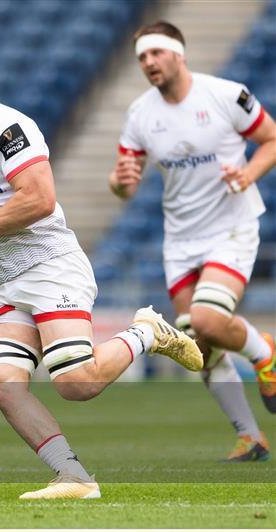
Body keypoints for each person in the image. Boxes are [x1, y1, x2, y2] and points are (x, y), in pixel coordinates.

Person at [0, 40, 203, 499]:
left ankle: (147, 333)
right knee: (1, 382)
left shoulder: (8, 127)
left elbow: (39, 199)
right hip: (4, 276)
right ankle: (73, 477)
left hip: (51, 262)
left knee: (75, 382)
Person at [109, 21, 276, 462]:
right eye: (142, 57)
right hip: (180, 239)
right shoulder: (140, 114)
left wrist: (248, 174)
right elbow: (124, 182)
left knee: (204, 319)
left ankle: (265, 351)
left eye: (155, 54)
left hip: (231, 228)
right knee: (194, 345)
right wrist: (120, 182)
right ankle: (250, 436)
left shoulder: (226, 95)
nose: (147, 63)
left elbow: (271, 139)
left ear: (177, 54)